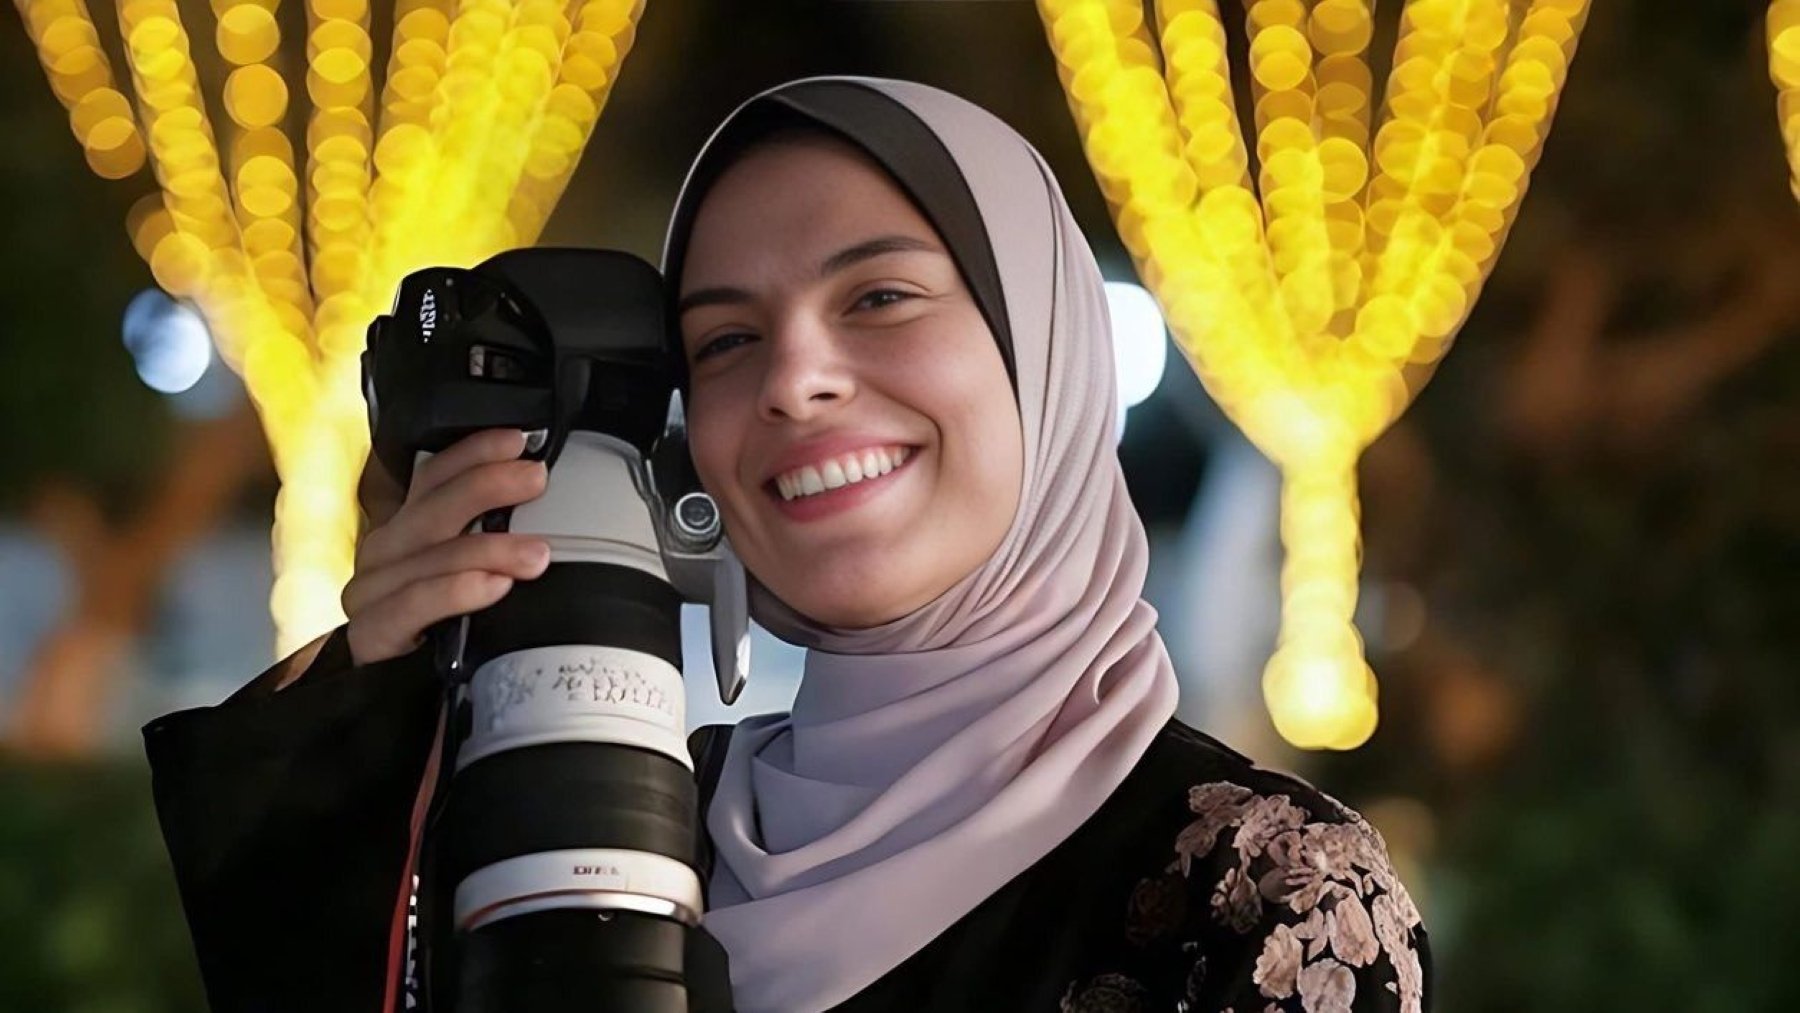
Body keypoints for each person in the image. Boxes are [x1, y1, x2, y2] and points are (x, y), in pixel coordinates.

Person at [143, 76, 1431, 1013]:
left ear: (1047, 356)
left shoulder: (1268, 892)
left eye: (880, 297)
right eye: (725, 340)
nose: (794, 379)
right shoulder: (621, 825)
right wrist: (379, 714)